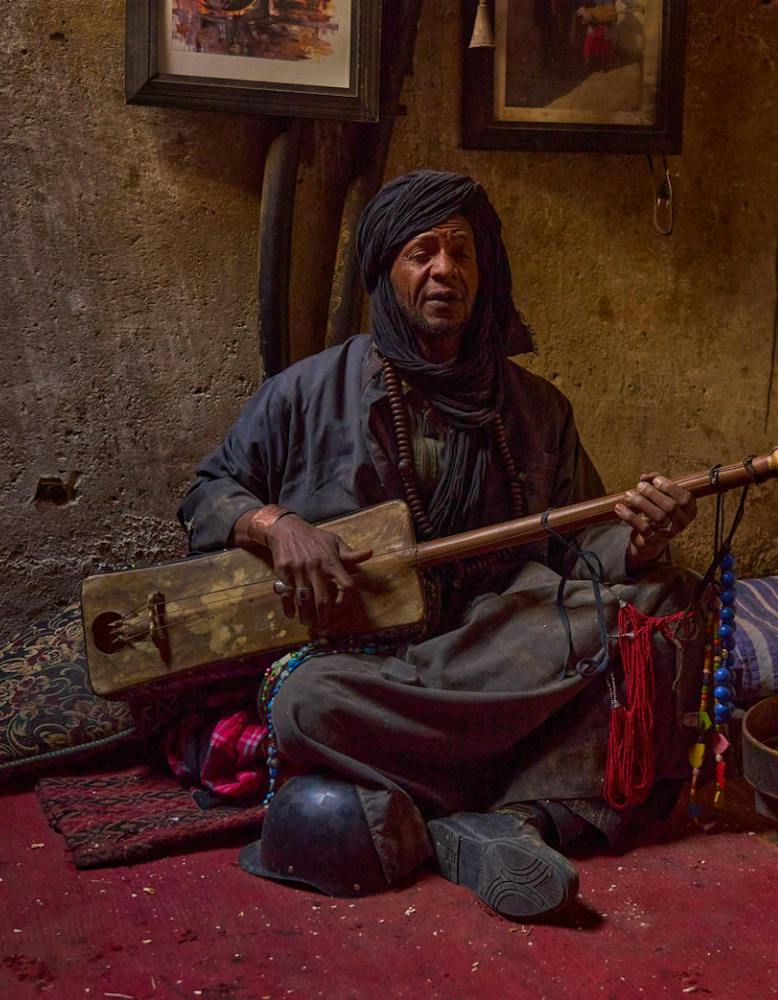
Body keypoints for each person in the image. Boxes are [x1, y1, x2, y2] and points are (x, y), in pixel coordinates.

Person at [178, 170, 703, 920]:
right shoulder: (305, 392)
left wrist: (642, 541)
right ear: (387, 271)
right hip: (366, 663)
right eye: (422, 253)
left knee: (661, 607)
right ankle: (518, 797)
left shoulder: (534, 408)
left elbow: (584, 547)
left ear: (484, 273)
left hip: (494, 647)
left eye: (461, 253)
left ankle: (489, 819)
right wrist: (272, 525)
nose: (444, 271)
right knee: (303, 704)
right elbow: (207, 492)